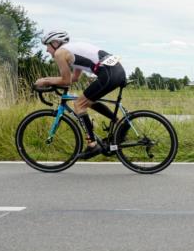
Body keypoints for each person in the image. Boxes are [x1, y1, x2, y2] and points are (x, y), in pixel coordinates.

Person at [35, 30, 127, 159]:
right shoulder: (72, 51)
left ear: (55, 43)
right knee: (85, 101)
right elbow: (74, 78)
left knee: (79, 104)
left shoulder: (60, 53)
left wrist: (45, 81)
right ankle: (119, 123)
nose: (47, 50)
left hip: (108, 74)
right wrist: (51, 81)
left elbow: (66, 81)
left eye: (47, 45)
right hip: (116, 71)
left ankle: (92, 145)